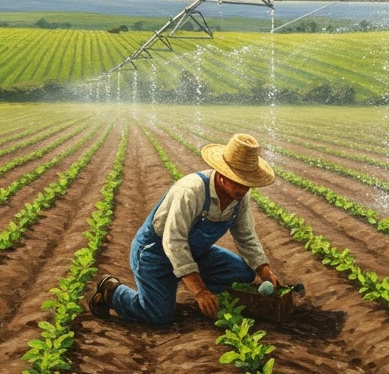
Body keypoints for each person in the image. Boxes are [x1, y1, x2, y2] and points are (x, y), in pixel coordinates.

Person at [89, 132, 278, 324]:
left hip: (196, 253)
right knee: (158, 316)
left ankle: (203, 295)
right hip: (155, 254)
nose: (243, 189)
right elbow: (174, 241)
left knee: (244, 274)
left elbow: (245, 234)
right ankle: (112, 292)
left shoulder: (239, 197)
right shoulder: (192, 191)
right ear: (222, 174)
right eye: (238, 182)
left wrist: (264, 270)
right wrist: (199, 290)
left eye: (247, 184)